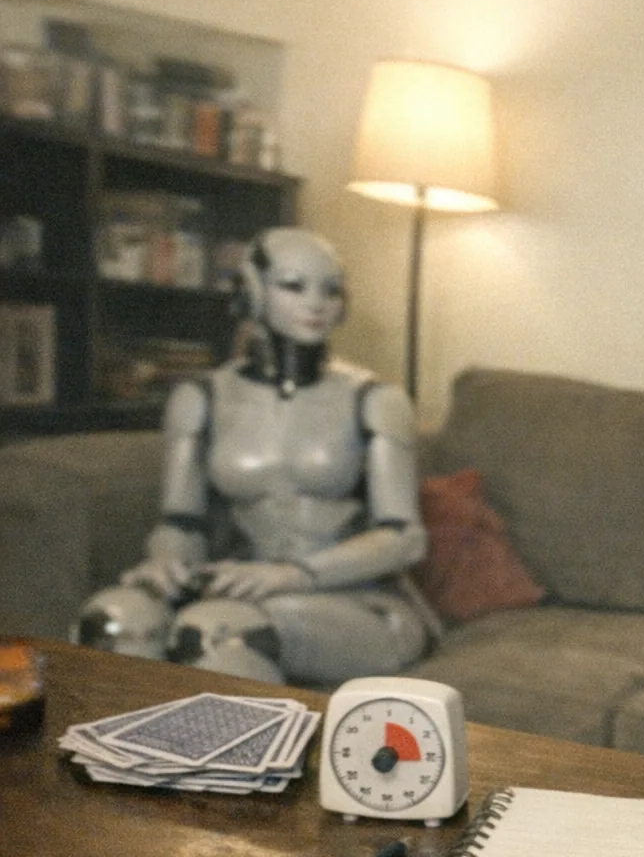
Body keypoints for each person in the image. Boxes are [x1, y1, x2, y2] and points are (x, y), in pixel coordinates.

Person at [74, 227, 431, 685]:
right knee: (110, 622)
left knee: (218, 632)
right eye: (293, 285)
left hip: (360, 602)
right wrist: (167, 563)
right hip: (245, 588)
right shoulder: (201, 397)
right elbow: (181, 521)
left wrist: (291, 575)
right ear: (252, 290)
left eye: (330, 289)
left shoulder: (376, 399)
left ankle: (259, 735)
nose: (317, 303)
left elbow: (405, 538)